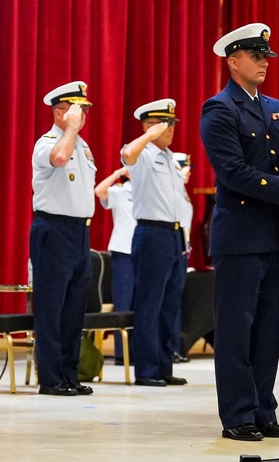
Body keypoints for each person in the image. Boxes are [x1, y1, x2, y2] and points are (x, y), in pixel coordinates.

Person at [200, 23, 279, 441]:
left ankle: (263, 410)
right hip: (240, 234)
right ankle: (237, 415)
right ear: (233, 61)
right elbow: (233, 172)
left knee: (269, 328)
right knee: (237, 329)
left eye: (266, 57)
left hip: (277, 232)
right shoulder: (219, 109)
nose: (263, 64)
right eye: (255, 57)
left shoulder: (274, 106)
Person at [30, 81, 96, 396]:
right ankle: (52, 378)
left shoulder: (80, 145)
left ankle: (69, 374)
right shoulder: (49, 142)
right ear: (60, 112)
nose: (82, 116)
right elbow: (58, 159)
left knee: (73, 309)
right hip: (53, 230)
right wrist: (69, 129)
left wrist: (74, 134)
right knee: (51, 307)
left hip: (79, 232)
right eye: (76, 110)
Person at [121, 98, 189, 387]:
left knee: (169, 305)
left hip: (174, 236)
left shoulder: (171, 158)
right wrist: (148, 134)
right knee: (149, 303)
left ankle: (163, 365)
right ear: (149, 126)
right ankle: (146, 369)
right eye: (165, 124)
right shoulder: (144, 154)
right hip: (152, 235)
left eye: (173, 123)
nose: (171, 129)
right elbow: (127, 155)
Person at [94, 164, 134, 366]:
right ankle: (122, 353)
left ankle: (137, 351)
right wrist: (117, 173)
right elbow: (99, 191)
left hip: (142, 251)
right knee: (124, 302)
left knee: (140, 304)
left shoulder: (146, 190)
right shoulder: (119, 191)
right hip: (123, 251)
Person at [164, 151, 193, 364]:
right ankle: (169, 349)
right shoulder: (171, 191)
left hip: (182, 249)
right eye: (184, 167)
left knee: (175, 303)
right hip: (171, 246)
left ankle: (174, 348)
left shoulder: (182, 192)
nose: (188, 172)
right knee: (165, 303)